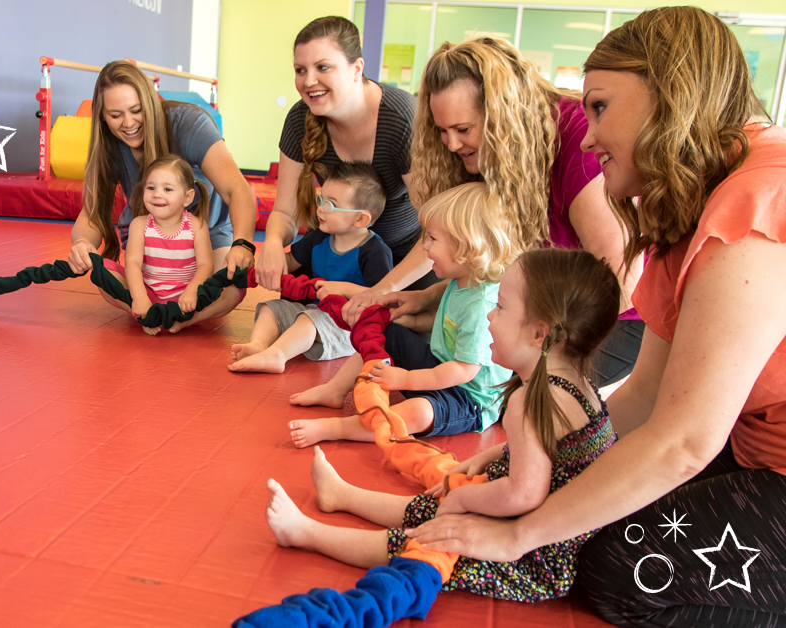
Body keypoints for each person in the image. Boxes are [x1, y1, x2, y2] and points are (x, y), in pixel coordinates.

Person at [402, 8, 786, 626]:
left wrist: (516, 537)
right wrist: (512, 468)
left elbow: (684, 441)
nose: (588, 136)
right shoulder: (687, 202)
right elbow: (643, 399)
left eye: (602, 107)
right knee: (582, 514)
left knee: (611, 567)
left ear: (669, 99)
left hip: (767, 467)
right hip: (749, 450)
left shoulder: (754, 201)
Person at [264, 247, 620, 606]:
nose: (490, 318)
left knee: (426, 537)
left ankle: (308, 533)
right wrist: (490, 458)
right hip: (548, 526)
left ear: (539, 335)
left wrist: (464, 497)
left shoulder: (532, 401)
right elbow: (550, 453)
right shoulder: (577, 386)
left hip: (535, 556)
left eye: (501, 307)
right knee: (433, 503)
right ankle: (340, 496)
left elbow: (523, 495)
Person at [342, 36, 643, 389]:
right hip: (533, 315)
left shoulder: (575, 143)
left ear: (503, 117)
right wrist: (427, 298)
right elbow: (487, 270)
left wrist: (528, 344)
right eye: (442, 131)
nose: (452, 145)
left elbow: (619, 285)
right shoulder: (485, 157)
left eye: (464, 130)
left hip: (611, 322)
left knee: (507, 396)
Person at [290, 182, 518, 446]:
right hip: (439, 371)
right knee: (385, 333)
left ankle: (340, 428)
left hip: (467, 399)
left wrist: (407, 378)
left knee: (418, 412)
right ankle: (335, 389)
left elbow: (463, 371)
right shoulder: (461, 282)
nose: (425, 247)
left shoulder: (482, 304)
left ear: (466, 247)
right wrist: (406, 321)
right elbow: (446, 324)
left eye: (432, 239)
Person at [66, 61, 257, 333]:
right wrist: (83, 244)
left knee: (230, 286)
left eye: (136, 110)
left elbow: (236, 189)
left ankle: (176, 318)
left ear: (151, 103)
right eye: (115, 115)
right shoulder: (107, 145)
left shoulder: (189, 123)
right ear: (102, 117)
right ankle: (154, 310)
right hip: (147, 237)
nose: (129, 123)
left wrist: (243, 244)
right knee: (102, 278)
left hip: (207, 234)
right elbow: (92, 212)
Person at [258, 16, 437, 303]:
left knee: (398, 337)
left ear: (357, 69)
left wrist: (377, 293)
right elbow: (284, 211)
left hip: (403, 257)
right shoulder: (300, 119)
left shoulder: (403, 120)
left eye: (323, 67)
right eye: (300, 70)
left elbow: (437, 230)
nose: (308, 81)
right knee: (290, 318)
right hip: (335, 250)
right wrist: (272, 244)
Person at [229, 161, 392, 373]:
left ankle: (278, 355)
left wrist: (341, 289)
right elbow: (287, 263)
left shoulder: (374, 251)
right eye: (321, 199)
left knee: (309, 319)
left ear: (360, 219)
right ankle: (259, 345)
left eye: (330, 205)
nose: (320, 209)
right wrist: (264, 266)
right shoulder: (319, 238)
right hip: (314, 312)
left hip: (348, 326)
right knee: (271, 308)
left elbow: (381, 298)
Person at [106, 155, 212, 336]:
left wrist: (192, 291)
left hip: (186, 301)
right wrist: (139, 298)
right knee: (105, 270)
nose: (157, 194)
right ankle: (146, 316)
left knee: (234, 287)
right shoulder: (139, 225)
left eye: (167, 189)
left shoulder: (196, 226)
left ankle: (185, 321)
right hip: (149, 297)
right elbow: (132, 263)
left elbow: (206, 265)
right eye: (151, 187)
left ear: (187, 198)